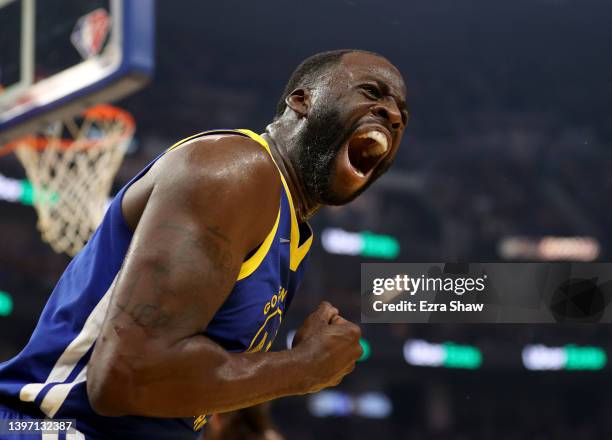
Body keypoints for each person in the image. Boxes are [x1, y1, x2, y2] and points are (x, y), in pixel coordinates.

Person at [0, 49, 408, 439]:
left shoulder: (288, 228)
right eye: (371, 93)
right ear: (301, 101)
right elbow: (125, 377)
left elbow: (179, 390)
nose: (392, 115)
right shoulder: (236, 172)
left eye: (401, 116)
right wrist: (304, 368)